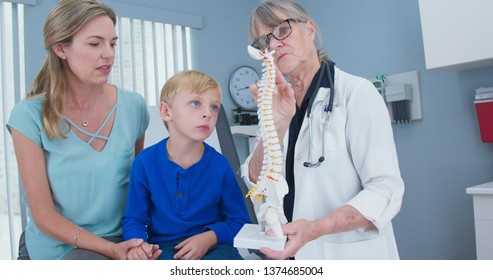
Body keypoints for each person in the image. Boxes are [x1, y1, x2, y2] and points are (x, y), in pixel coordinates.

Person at [241, 0, 405, 260]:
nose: (272, 45)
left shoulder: (355, 94)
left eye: (281, 31)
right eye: (263, 42)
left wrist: (317, 228)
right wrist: (277, 125)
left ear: (309, 30)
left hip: (348, 257)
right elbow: (256, 184)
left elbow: (385, 191)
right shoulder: (275, 101)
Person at [6, 0, 160, 260]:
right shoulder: (28, 115)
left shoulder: (133, 106)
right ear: (61, 48)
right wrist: (109, 249)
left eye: (112, 43)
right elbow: (43, 216)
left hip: (121, 238)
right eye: (94, 43)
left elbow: (136, 187)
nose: (109, 54)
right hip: (59, 245)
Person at [122, 70, 251, 260]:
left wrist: (209, 238)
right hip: (163, 249)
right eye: (196, 103)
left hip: (215, 249)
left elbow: (239, 221)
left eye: (214, 107)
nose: (207, 113)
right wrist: (138, 246)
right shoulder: (144, 163)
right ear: (167, 112)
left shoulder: (220, 166)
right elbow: (135, 219)